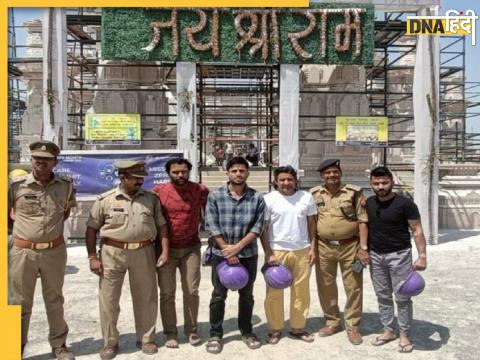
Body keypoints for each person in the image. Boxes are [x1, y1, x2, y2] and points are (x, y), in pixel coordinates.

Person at [85, 160, 169, 360]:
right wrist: (92, 257)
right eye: (135, 178)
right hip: (112, 253)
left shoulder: (151, 199)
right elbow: (91, 229)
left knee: (146, 297)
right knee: (109, 299)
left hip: (143, 251)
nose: (140, 181)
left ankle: (146, 338)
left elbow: (162, 226)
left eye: (142, 178)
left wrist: (164, 251)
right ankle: (110, 342)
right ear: (122, 177)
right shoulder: (105, 200)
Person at [8, 140, 76, 359]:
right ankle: (12, 347)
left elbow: (64, 213)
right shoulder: (16, 185)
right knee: (17, 301)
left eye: (47, 160)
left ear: (55, 162)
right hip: (23, 251)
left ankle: (59, 345)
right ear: (31, 159)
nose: (41, 163)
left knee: (55, 299)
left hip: (54, 252)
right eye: (37, 158)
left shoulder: (66, 186)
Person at [205, 157, 265, 354]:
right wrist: (226, 249)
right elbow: (211, 225)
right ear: (228, 173)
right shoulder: (215, 196)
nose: (238, 174)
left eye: (242, 170)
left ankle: (247, 331)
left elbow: (258, 227)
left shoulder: (257, 198)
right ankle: (215, 333)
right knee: (218, 295)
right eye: (234, 171)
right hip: (220, 255)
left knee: (246, 295)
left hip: (248, 254)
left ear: (248, 173)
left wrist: (237, 248)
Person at [366, 166, 427, 353]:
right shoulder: (368, 202)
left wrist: (422, 256)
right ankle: (388, 330)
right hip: (376, 256)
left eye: (384, 182)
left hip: (399, 256)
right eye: (376, 183)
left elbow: (417, 230)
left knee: (402, 297)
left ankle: (405, 334)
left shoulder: (405, 204)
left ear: (392, 182)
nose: (381, 186)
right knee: (383, 296)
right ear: (371, 185)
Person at [310, 159, 369, 345]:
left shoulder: (353, 193)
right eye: (327, 173)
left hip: (350, 246)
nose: (331, 176)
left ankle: (353, 325)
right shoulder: (313, 194)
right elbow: (310, 221)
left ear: (340, 173)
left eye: (335, 172)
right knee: (325, 285)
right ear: (322, 175)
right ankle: (332, 321)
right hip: (324, 246)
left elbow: (363, 221)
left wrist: (363, 248)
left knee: (353, 286)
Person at [152, 158, 209, 348]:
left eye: (184, 171)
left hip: (191, 248)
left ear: (189, 172)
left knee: (191, 291)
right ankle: (170, 333)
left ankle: (191, 331)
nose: (180, 175)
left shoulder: (200, 190)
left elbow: (209, 212)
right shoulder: (158, 192)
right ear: (169, 173)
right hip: (165, 250)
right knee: (167, 292)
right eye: (176, 172)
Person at [261, 166, 317, 344]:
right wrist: (268, 253)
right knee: (274, 291)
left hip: (302, 250)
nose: (286, 183)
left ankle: (298, 327)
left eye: (290, 179)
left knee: (301, 291)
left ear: (296, 181)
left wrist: (312, 248)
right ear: (276, 182)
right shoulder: (268, 199)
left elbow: (312, 225)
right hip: (277, 252)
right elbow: (264, 228)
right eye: (282, 180)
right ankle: (276, 328)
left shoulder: (306, 198)